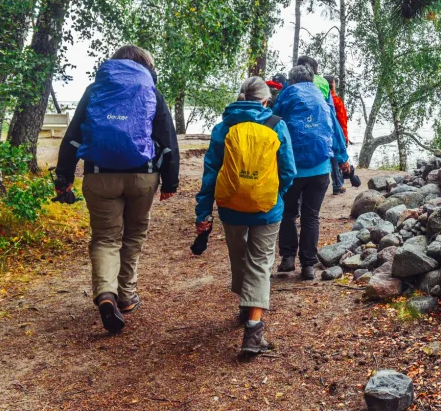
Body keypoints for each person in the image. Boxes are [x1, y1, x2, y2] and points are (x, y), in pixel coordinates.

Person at [54, 45, 179, 334]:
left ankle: (106, 295)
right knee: (133, 235)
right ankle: (127, 296)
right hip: (143, 176)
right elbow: (167, 137)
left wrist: (64, 176)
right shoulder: (151, 89)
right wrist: (170, 181)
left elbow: (74, 134)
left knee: (105, 239)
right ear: (146, 63)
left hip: (100, 175)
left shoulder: (96, 88)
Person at [194, 77, 296, 355]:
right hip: (267, 207)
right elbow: (288, 171)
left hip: (230, 207)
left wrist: (203, 211)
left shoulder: (223, 127)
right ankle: (253, 329)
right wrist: (275, 194)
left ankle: (245, 304)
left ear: (240, 98)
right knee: (261, 263)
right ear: (265, 100)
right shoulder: (277, 125)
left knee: (239, 256)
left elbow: (210, 173)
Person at [273, 65, 349, 280]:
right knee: (311, 216)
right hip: (320, 169)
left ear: (292, 80)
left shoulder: (287, 95)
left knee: (288, 214)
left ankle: (287, 259)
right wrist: (343, 160)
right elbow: (334, 129)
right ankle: (308, 266)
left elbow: (273, 122)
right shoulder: (323, 97)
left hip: (292, 168)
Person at [325, 74, 349, 195]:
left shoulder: (322, 99)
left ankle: (337, 184)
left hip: (325, 134)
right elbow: (342, 120)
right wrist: (344, 136)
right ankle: (337, 184)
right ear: (332, 85)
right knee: (335, 159)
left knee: (331, 159)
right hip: (336, 134)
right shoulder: (336, 100)